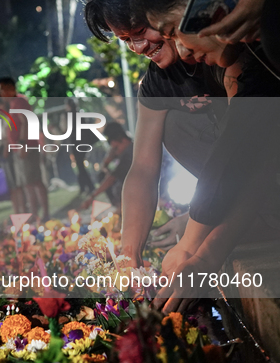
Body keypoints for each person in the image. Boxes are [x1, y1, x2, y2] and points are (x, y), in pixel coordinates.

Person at [133, 0, 280, 312]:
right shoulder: (243, 58)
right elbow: (251, 161)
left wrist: (196, 248)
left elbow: (245, 157)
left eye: (172, 32)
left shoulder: (266, 40)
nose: (185, 52)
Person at [84, 0, 227, 261]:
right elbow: (142, 169)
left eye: (140, 33)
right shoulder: (157, 84)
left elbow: (246, 150)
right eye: (126, 39)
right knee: (174, 125)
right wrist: (129, 254)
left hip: (258, 168)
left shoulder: (223, 54)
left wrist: (196, 225)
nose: (138, 48)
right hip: (233, 181)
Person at [0, 77, 50, 221]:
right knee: (27, 183)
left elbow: (25, 123)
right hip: (19, 149)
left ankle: (45, 213)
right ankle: (34, 214)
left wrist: (23, 145)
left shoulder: (19, 102)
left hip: (27, 148)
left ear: (10, 89)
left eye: (1, 90)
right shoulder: (14, 103)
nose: (0, 94)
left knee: (35, 181)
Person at [81, 123, 133, 213]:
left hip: (136, 192)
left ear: (122, 140)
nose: (114, 149)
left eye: (115, 147)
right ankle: (120, 207)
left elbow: (111, 179)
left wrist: (91, 198)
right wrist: (108, 161)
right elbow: (104, 166)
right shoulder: (125, 149)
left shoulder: (129, 154)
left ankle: (123, 209)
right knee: (102, 175)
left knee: (109, 181)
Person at [63, 98, 96, 195]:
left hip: (76, 142)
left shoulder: (68, 115)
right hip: (83, 141)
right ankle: (84, 186)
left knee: (80, 165)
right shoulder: (80, 113)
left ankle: (88, 186)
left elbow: (66, 129)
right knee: (80, 165)